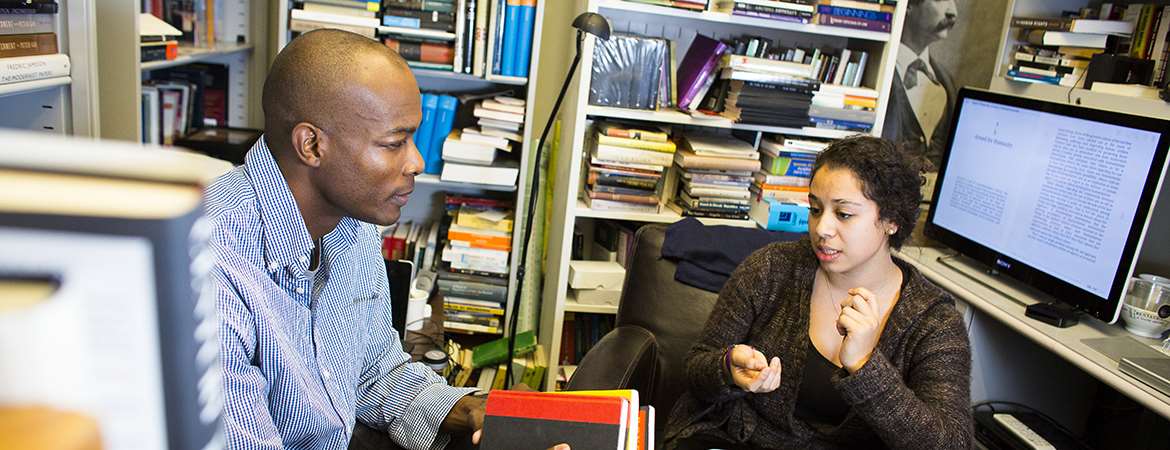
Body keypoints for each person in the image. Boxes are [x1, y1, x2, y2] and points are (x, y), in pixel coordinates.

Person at [203, 29, 485, 449]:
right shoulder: (211, 262)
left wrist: (477, 412)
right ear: (312, 145)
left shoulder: (354, 223)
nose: (417, 161)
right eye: (394, 143)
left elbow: (375, 371)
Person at [663, 136, 973, 449]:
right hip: (735, 438)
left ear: (891, 220)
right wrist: (728, 367)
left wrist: (866, 365)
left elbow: (950, 444)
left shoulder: (933, 322)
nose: (821, 228)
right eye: (815, 209)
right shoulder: (772, 268)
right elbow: (696, 370)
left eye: (844, 214)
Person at [882, 0, 959, 169]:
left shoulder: (946, 80)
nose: (953, 12)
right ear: (908, 4)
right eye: (940, 1)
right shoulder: (881, 71)